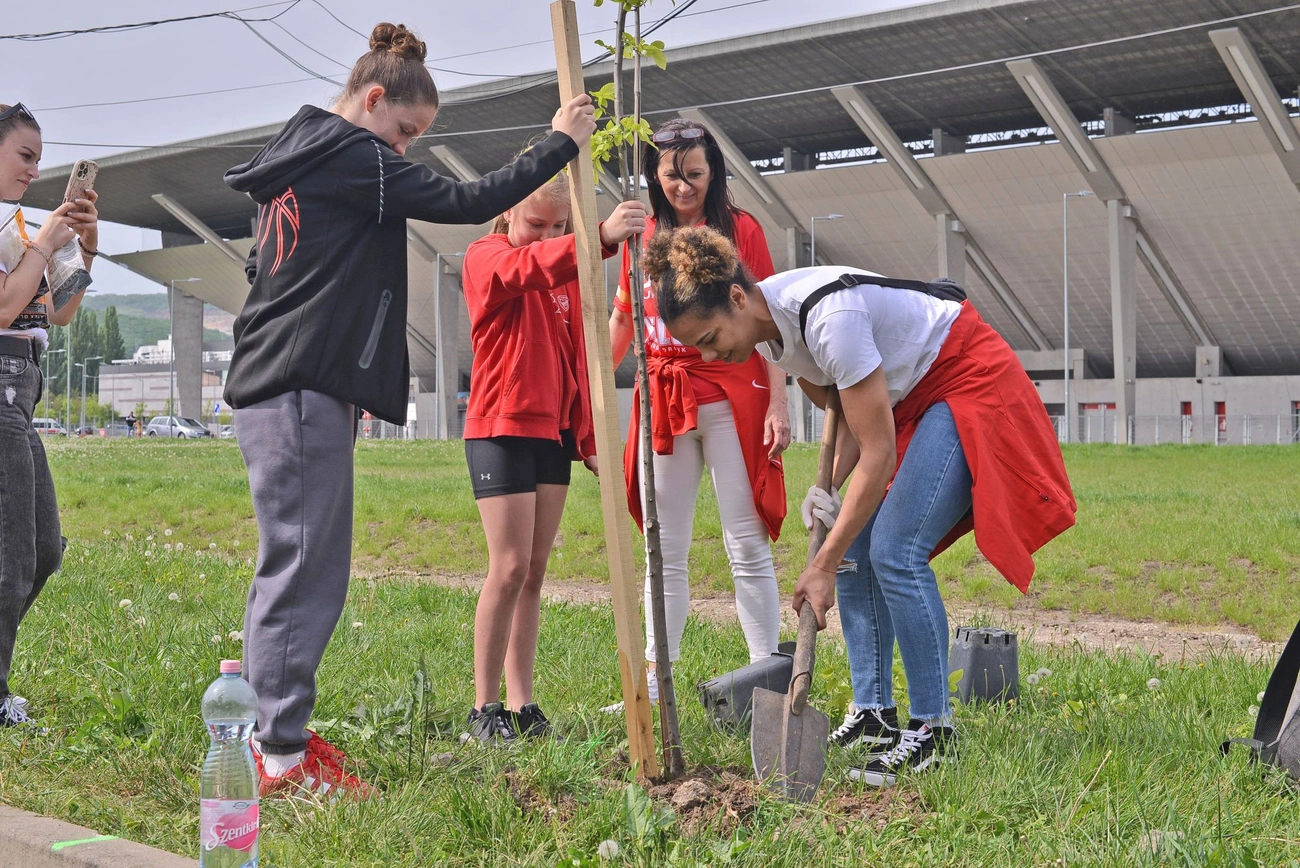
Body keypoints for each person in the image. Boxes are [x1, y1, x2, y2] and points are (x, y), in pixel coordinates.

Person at [222, 23, 596, 798]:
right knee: (307, 569)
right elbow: (466, 200)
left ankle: (270, 734)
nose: (402, 151)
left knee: (290, 564)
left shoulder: (298, 156)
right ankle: (279, 758)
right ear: (372, 100)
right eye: (404, 132)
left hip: (280, 384)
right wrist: (558, 143)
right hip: (299, 389)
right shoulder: (356, 155)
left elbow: (266, 266)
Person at [644, 226, 1076, 787]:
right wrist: (829, 490)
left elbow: (879, 447)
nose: (709, 354)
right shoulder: (775, 333)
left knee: (896, 549)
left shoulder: (829, 321)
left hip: (964, 378)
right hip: (911, 394)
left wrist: (821, 565)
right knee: (858, 545)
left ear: (735, 299)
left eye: (709, 337)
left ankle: (932, 730)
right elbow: (848, 412)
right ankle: (873, 712)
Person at [606, 119, 789, 707]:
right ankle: (657, 681)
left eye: (695, 174)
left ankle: (766, 674)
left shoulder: (741, 229)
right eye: (671, 175)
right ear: (654, 177)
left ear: (714, 173)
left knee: (746, 539)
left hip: (735, 394)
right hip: (663, 395)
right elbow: (623, 318)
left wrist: (779, 404)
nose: (683, 186)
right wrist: (589, 390)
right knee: (665, 546)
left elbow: (771, 317)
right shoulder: (641, 236)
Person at [460, 171, 647, 744]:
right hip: (500, 425)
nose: (544, 236)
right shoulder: (486, 256)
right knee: (509, 566)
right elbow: (527, 268)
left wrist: (587, 438)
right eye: (535, 223)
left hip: (552, 434)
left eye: (558, 227)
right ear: (509, 216)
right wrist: (599, 239)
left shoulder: (566, 278)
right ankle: (483, 709)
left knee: (535, 573)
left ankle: (522, 704)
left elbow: (574, 359)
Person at [0, 102, 99, 728]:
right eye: (25, 155)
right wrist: (42, 246)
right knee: (10, 557)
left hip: (22, 395)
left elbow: (60, 311)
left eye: (40, 157)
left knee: (40, 552)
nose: (36, 169)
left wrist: (86, 247)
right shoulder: (19, 234)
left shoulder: (16, 226)